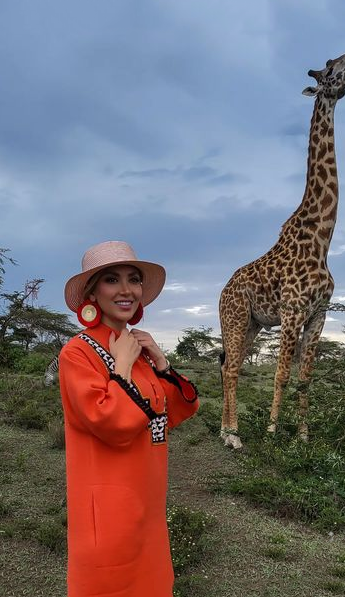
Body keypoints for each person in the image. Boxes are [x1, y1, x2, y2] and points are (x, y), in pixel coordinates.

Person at [57, 240, 200, 597]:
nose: (126, 290)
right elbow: (112, 424)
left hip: (147, 507)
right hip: (108, 515)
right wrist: (121, 365)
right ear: (92, 291)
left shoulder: (139, 350)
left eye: (133, 279)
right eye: (111, 280)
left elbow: (177, 410)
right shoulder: (78, 353)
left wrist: (161, 362)